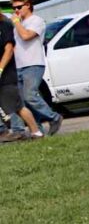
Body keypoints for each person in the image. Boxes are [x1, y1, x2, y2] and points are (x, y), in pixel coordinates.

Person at [8, 0, 62, 136]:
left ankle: (54, 117)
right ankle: (37, 131)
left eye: (19, 7)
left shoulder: (36, 21)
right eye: (14, 8)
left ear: (28, 5)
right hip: (18, 66)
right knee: (21, 102)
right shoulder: (17, 24)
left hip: (33, 64)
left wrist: (17, 23)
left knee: (30, 95)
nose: (16, 11)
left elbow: (26, 36)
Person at [0, 12, 43, 142]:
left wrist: (0, 69)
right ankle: (3, 132)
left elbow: (9, 50)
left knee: (17, 106)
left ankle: (36, 132)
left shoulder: (5, 25)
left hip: (6, 74)